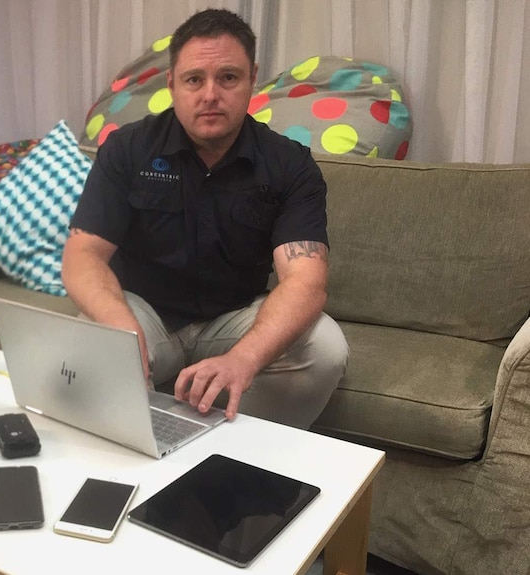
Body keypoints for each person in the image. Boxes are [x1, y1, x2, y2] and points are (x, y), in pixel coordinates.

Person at [61, 8, 347, 429]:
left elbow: (306, 281)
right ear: (172, 84)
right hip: (144, 311)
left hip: (234, 317)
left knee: (326, 349)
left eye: (228, 77)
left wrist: (244, 359)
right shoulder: (126, 150)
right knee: (81, 354)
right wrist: (122, 329)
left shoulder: (290, 165)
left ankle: (217, 449)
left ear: (252, 79)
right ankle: (151, 441)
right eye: (195, 79)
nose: (210, 94)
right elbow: (82, 256)